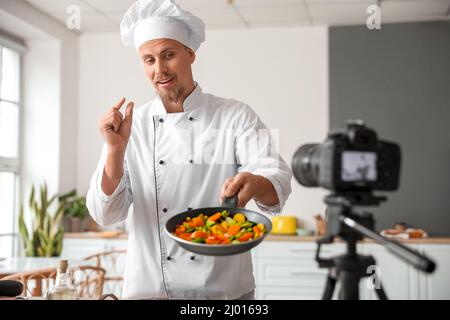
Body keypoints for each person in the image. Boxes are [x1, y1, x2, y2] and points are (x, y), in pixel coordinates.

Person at [86, 0, 292, 300]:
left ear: (190, 54)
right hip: (149, 291)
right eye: (149, 60)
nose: (160, 69)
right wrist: (115, 150)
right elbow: (105, 215)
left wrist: (257, 182)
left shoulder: (234, 115)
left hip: (222, 294)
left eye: (168, 55)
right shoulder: (133, 125)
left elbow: (277, 180)